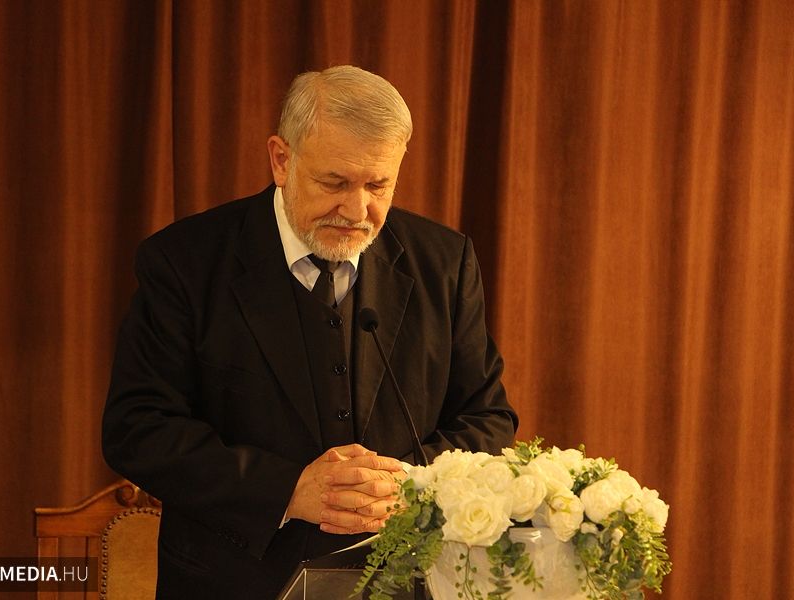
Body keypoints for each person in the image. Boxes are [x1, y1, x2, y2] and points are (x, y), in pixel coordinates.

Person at [102, 65, 518, 599]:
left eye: (378, 185)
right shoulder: (185, 261)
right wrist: (287, 490)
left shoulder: (444, 262)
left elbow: (488, 418)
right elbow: (138, 429)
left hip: (407, 582)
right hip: (234, 582)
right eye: (335, 183)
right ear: (281, 159)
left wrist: (410, 483)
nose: (357, 210)